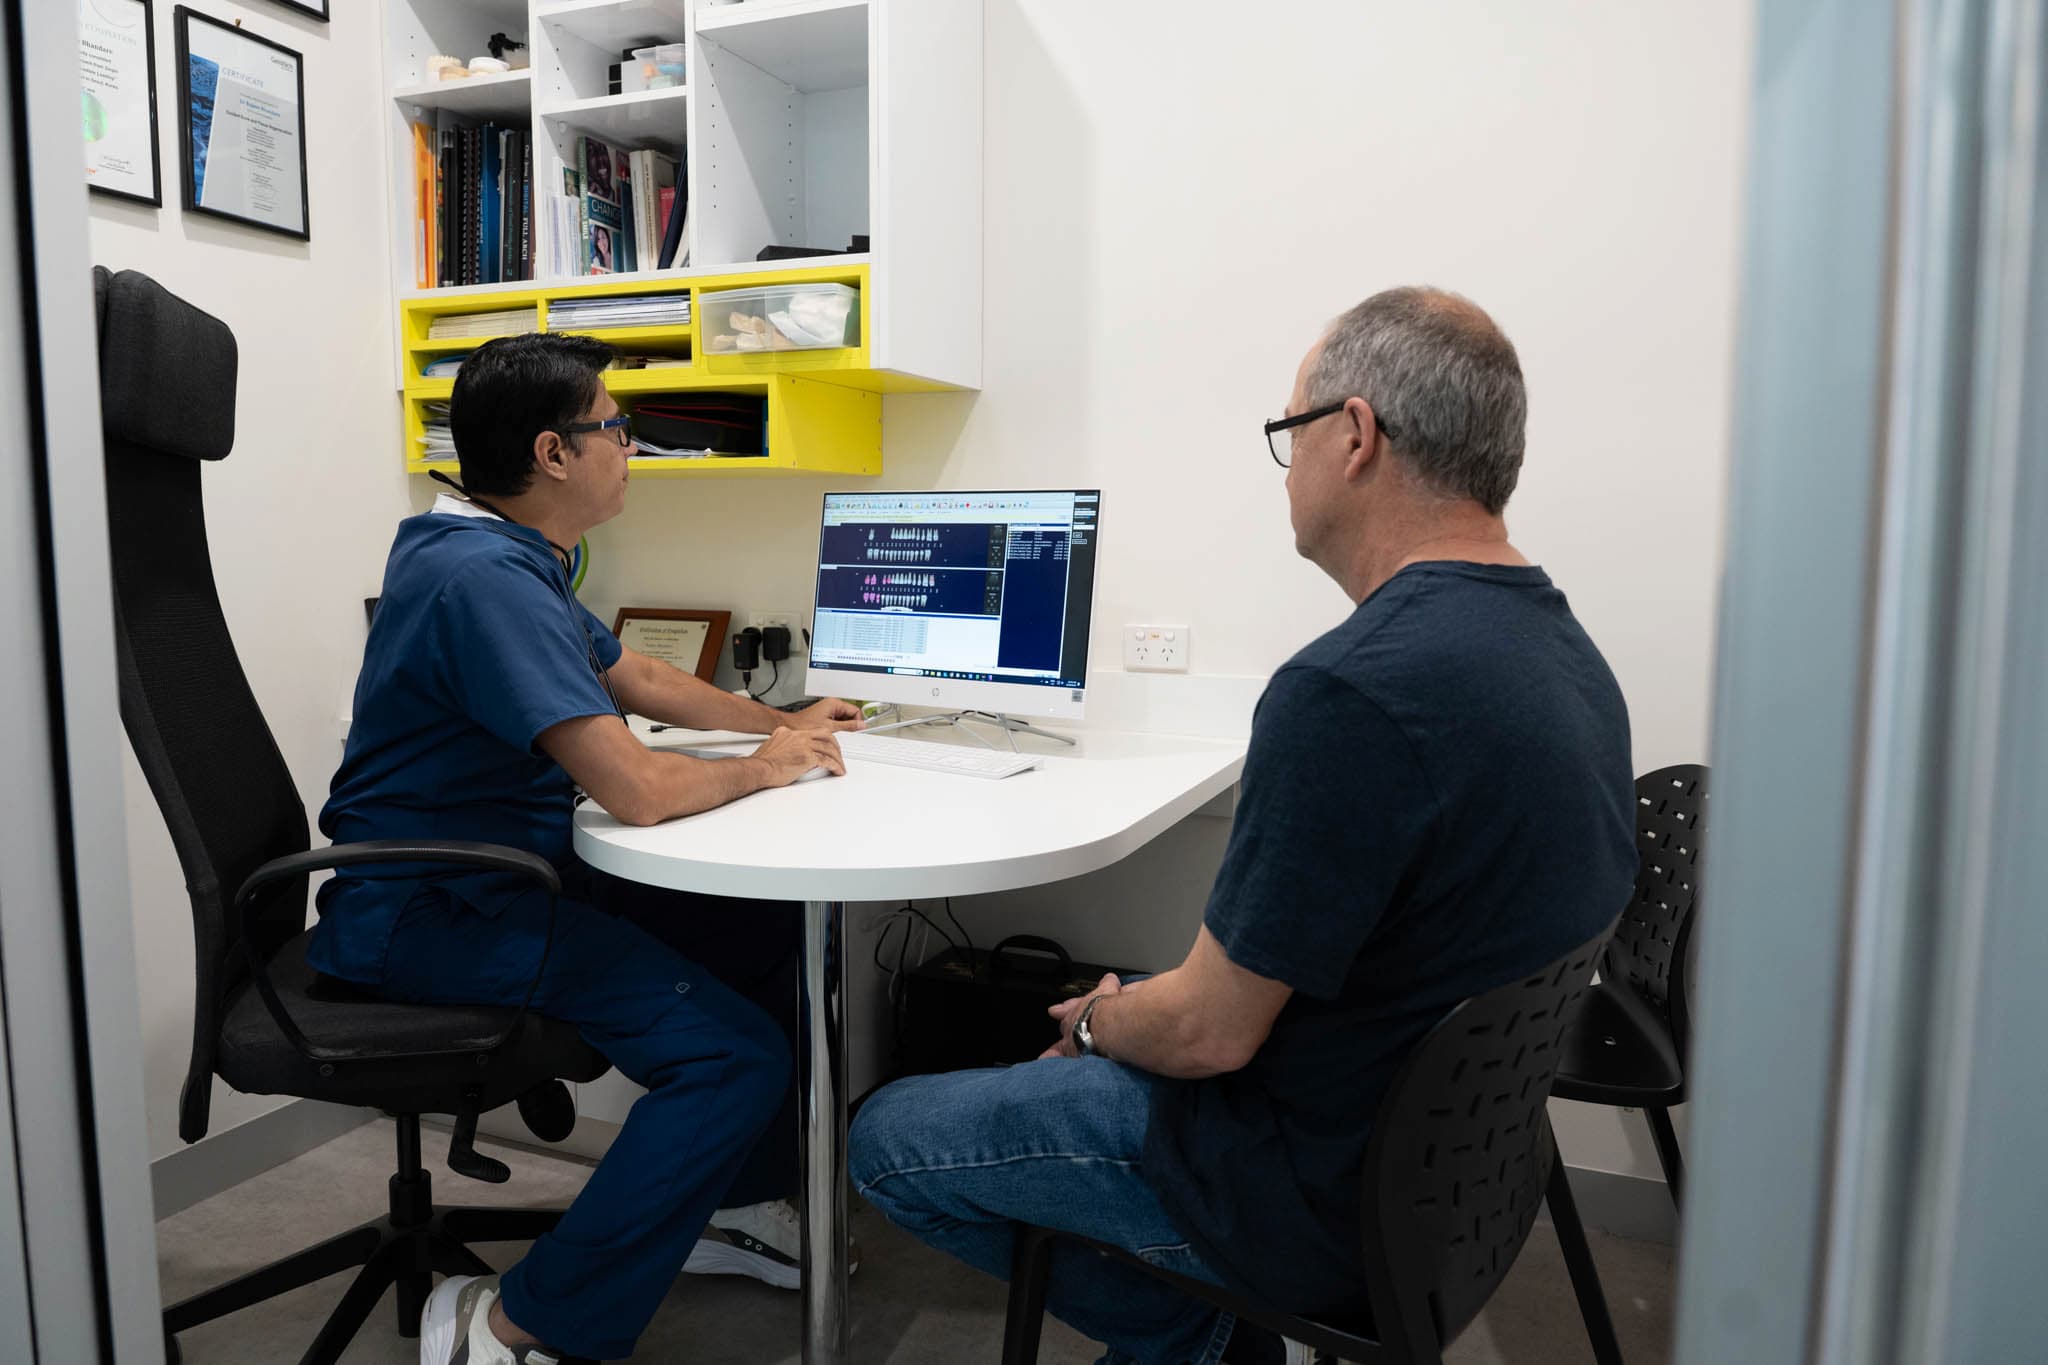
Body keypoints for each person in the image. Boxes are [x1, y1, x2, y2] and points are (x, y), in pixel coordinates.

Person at [848, 288, 1639, 1365]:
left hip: (1299, 1195)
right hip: (1460, 1184)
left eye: (1289, 435)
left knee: (886, 1139)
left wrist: (1094, 1025)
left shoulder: (1350, 692)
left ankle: (1204, 1339)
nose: (1288, 470)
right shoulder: (1560, 649)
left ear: (1352, 436)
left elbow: (1207, 1034)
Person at [307, 332, 863, 1365]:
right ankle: (516, 1325)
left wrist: (771, 718)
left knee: (746, 922)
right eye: (616, 428)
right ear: (553, 453)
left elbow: (635, 680)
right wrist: (765, 768)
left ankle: (730, 1210)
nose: (630, 448)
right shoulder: (485, 580)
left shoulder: (499, 552)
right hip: (432, 914)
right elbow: (640, 792)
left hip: (489, 885)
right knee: (732, 1058)